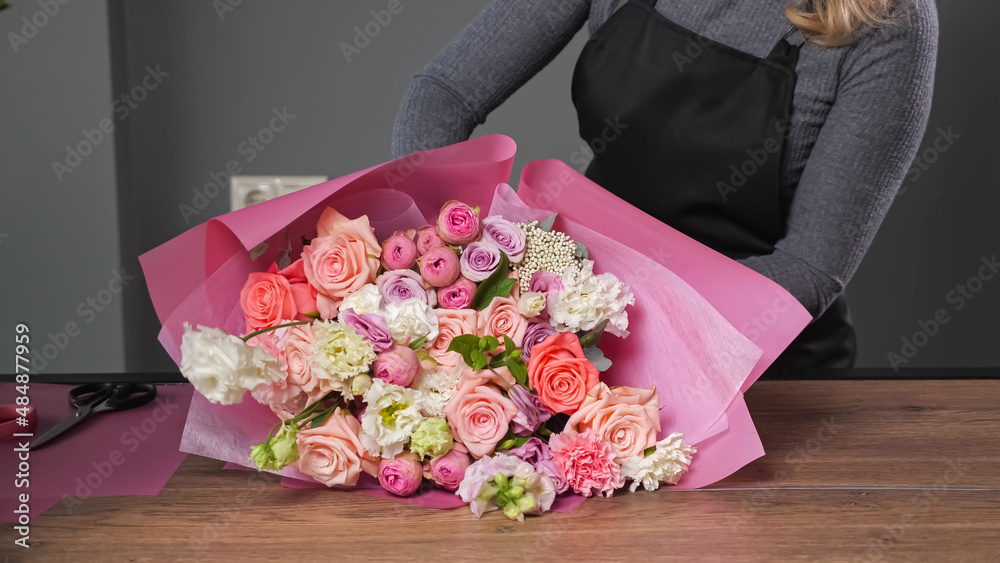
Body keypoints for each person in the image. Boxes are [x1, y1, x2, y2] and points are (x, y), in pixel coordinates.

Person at [391, 0, 938, 371]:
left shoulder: (887, 20)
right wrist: (448, 259)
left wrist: (619, 339)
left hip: (755, 372)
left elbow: (808, 271)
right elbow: (443, 95)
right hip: (572, 344)